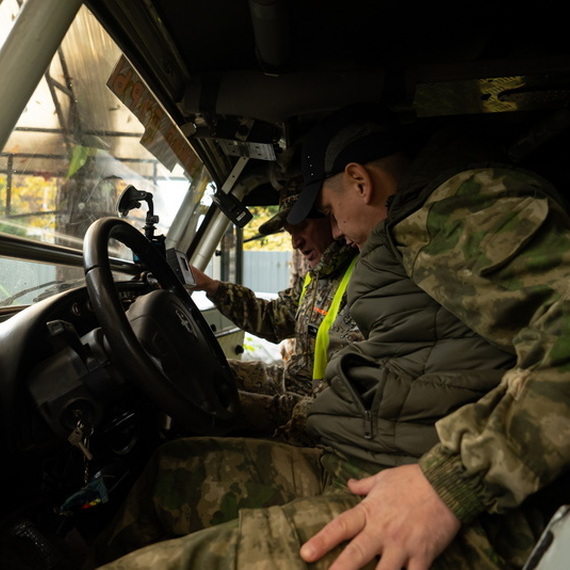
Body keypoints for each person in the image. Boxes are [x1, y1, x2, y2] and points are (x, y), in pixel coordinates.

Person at [91, 103, 570, 570]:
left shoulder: (458, 207)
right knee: (169, 471)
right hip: (361, 454)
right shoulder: (407, 228)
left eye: (327, 212)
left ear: (360, 182)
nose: (334, 231)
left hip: (425, 489)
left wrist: (449, 481)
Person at [190, 182, 361, 437]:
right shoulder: (318, 278)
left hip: (313, 411)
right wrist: (211, 286)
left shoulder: (360, 281)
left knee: (202, 403)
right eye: (289, 232)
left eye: (301, 227)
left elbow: (334, 400)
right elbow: (273, 318)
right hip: (291, 386)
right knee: (205, 369)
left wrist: (277, 433)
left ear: (330, 217)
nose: (295, 242)